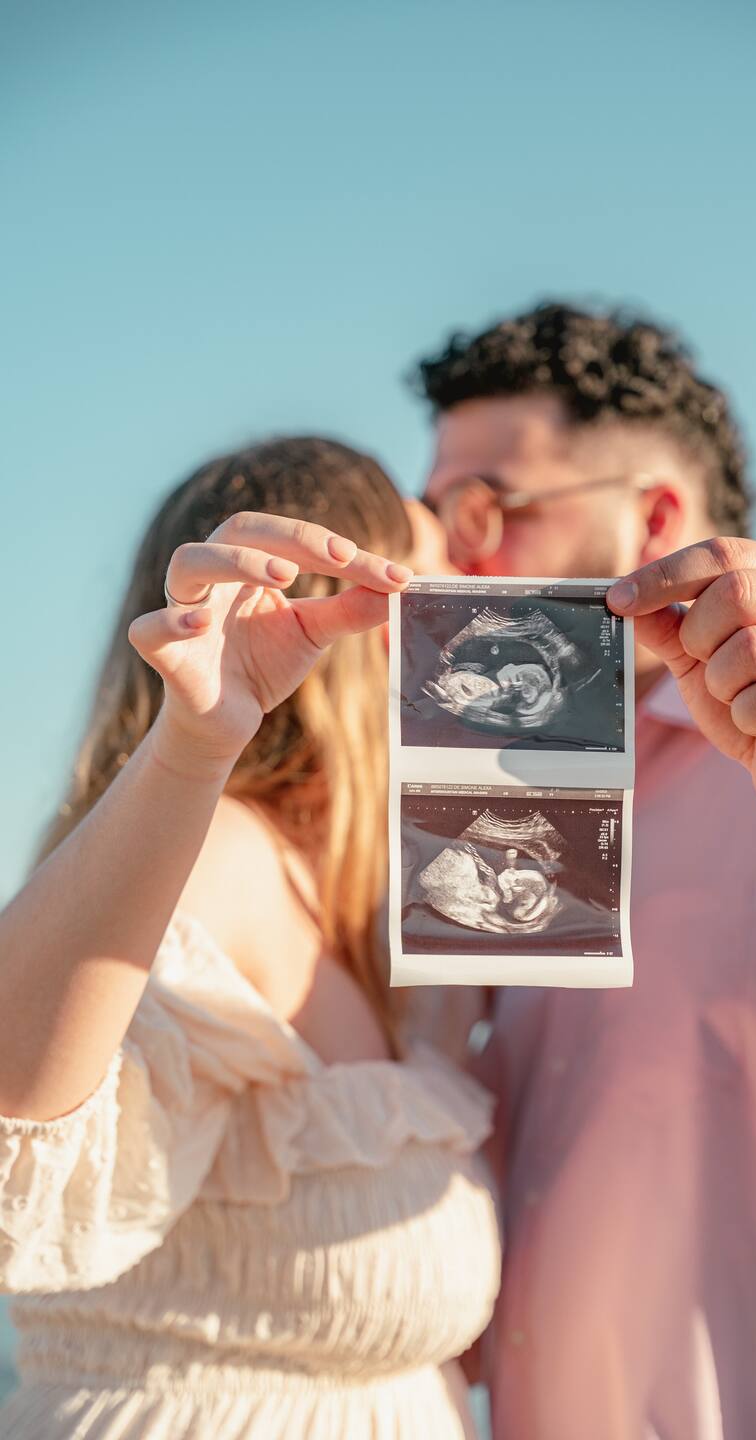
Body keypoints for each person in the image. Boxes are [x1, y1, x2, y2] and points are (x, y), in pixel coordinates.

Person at [414, 302, 756, 1440]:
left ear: (653, 515)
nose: (446, 553)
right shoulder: (489, 781)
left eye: (480, 507)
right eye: (432, 511)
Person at [0, 437, 500, 1439]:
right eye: (441, 588)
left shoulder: (373, 907)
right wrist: (195, 745)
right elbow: (15, 1118)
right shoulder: (228, 851)